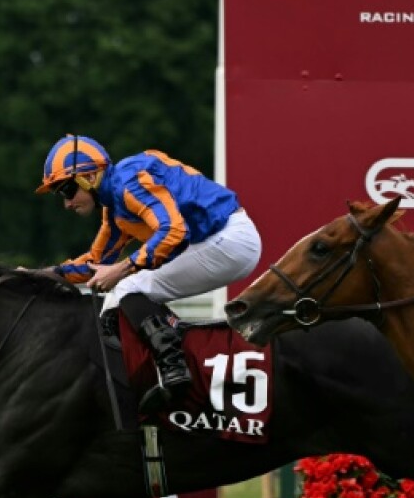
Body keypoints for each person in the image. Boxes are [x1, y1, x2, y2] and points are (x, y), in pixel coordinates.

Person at [35, 134, 261, 413]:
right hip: (219, 241)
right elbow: (94, 264)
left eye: (67, 191)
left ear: (90, 177)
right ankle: (157, 368)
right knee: (118, 295)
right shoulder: (115, 207)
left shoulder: (129, 182)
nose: (67, 203)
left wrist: (121, 268)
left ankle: (175, 372)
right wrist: (42, 275)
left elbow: (174, 232)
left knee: (128, 287)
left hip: (228, 239)